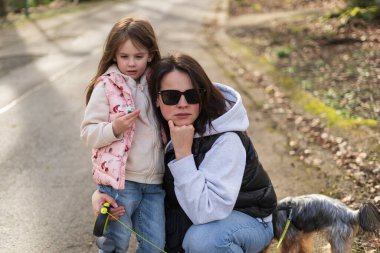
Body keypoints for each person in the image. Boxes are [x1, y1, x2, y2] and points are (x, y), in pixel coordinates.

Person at [92, 53, 277, 253]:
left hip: (246, 219)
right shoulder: (158, 133)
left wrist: (183, 154)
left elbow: (205, 212)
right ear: (157, 99)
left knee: (203, 241)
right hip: (190, 220)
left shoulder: (226, 139)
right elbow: (140, 178)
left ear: (202, 96)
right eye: (171, 96)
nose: (182, 104)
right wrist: (105, 193)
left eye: (192, 95)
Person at [80, 16, 165, 253]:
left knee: (154, 246)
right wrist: (114, 128)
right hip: (121, 184)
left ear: (150, 54)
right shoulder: (107, 86)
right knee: (114, 245)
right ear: (114, 55)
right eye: (124, 56)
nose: (131, 63)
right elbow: (88, 133)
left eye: (138, 56)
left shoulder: (159, 82)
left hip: (155, 184)